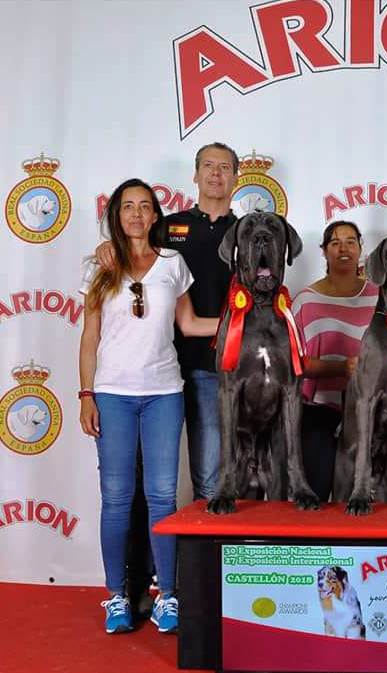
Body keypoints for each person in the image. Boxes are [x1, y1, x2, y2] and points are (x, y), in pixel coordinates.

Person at [79, 179, 219, 634]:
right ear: (116, 215)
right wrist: (86, 395)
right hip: (113, 394)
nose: (136, 214)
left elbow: (192, 324)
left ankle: (168, 597)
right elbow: (89, 337)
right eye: (127, 207)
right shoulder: (100, 266)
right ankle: (116, 595)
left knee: (163, 497)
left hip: (164, 392)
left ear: (156, 215)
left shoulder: (173, 264)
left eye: (144, 206)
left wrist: (247, 319)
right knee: (117, 499)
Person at [96, 143, 238, 501]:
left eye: (224, 167)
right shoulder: (167, 226)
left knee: (208, 478)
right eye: (208, 165)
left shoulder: (247, 231)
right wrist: (106, 247)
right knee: (141, 480)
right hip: (156, 372)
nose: (216, 173)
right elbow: (130, 250)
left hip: (215, 365)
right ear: (195, 174)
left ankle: (203, 557)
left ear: (236, 177)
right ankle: (142, 559)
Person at [292, 221, 378, 501]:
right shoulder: (305, 300)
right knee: (315, 495)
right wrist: (342, 367)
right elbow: (294, 364)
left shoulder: (380, 296)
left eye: (351, 241)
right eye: (335, 242)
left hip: (369, 412)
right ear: (324, 251)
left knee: (360, 500)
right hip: (317, 412)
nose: (344, 248)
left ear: (360, 249)